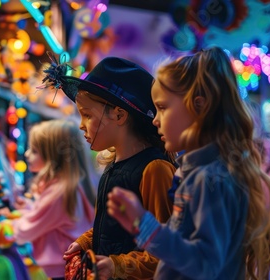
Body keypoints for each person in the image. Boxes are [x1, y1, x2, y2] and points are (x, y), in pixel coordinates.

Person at [106, 46, 270, 280]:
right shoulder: (195, 172)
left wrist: (145, 226)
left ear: (199, 107)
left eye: (162, 108)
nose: (155, 120)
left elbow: (205, 264)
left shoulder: (209, 179)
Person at [42, 56, 177, 279]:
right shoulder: (114, 165)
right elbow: (112, 228)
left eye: (87, 115)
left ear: (119, 115)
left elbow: (165, 252)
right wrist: (85, 242)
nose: (81, 125)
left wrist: (118, 266)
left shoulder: (155, 170)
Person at [11, 119, 95, 280]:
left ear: (54, 156)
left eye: (34, 150)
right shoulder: (68, 186)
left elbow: (24, 231)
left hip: (56, 273)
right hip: (64, 269)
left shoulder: (59, 192)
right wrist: (30, 208)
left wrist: (3, 225)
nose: (27, 155)